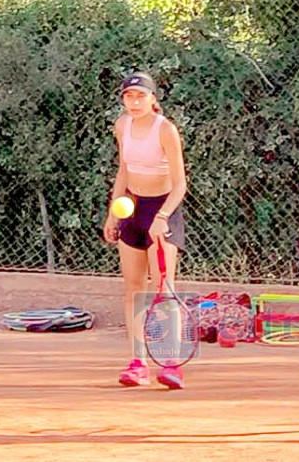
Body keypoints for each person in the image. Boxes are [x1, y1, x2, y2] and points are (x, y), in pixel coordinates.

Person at [102, 72, 188, 389]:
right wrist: (114, 213)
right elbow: (123, 169)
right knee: (133, 287)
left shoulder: (165, 130)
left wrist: (162, 216)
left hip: (163, 209)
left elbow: (180, 184)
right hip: (133, 209)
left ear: (153, 99)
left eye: (141, 96)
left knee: (164, 287)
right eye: (129, 96)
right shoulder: (122, 125)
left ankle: (171, 364)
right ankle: (138, 363)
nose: (135, 102)